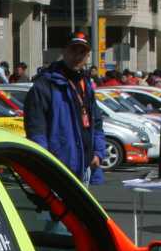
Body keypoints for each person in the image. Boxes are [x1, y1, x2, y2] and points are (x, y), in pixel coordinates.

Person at [24, 31, 105, 186]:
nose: (77, 56)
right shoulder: (45, 85)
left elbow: (97, 123)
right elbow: (36, 129)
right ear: (64, 51)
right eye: (73, 50)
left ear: (88, 56)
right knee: (57, 210)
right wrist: (46, 162)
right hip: (58, 169)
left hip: (85, 166)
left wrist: (98, 153)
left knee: (81, 211)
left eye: (82, 52)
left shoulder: (86, 83)